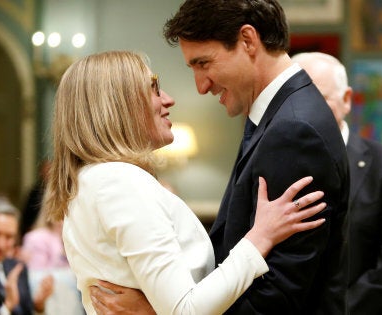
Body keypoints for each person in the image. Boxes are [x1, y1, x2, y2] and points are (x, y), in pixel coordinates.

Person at [90, 1, 352, 314]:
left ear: (248, 41)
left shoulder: (294, 130)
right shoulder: (279, 116)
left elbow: (275, 299)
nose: (201, 87)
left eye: (204, 64)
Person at [42, 50, 328, 315]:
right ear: (118, 105)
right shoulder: (119, 183)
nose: (168, 99)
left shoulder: (91, 180)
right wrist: (259, 238)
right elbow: (186, 309)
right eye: (153, 89)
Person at [292, 52, 382, 315]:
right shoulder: (272, 164)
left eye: (318, 98)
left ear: (346, 100)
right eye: (294, 99)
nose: (304, 109)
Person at [19, 159, 50, 238]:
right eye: (46, 169)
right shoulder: (35, 191)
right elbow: (28, 212)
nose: (48, 172)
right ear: (41, 172)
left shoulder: (61, 190)